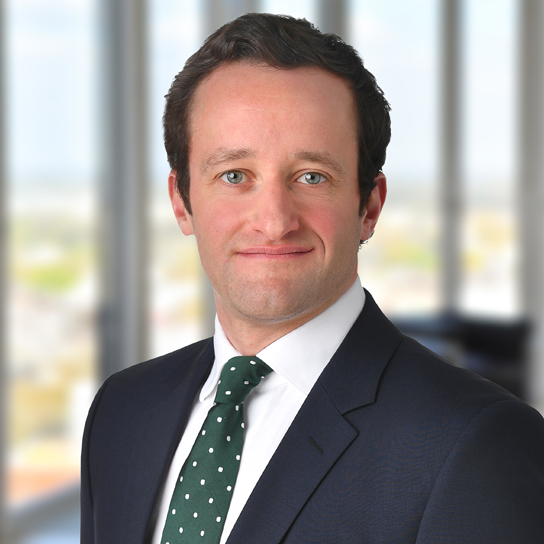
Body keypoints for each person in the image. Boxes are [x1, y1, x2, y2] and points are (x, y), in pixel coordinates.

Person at [81, 13, 544, 544]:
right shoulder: (122, 411)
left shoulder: (477, 445)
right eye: (234, 175)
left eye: (311, 176)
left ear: (369, 207)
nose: (274, 221)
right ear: (182, 202)